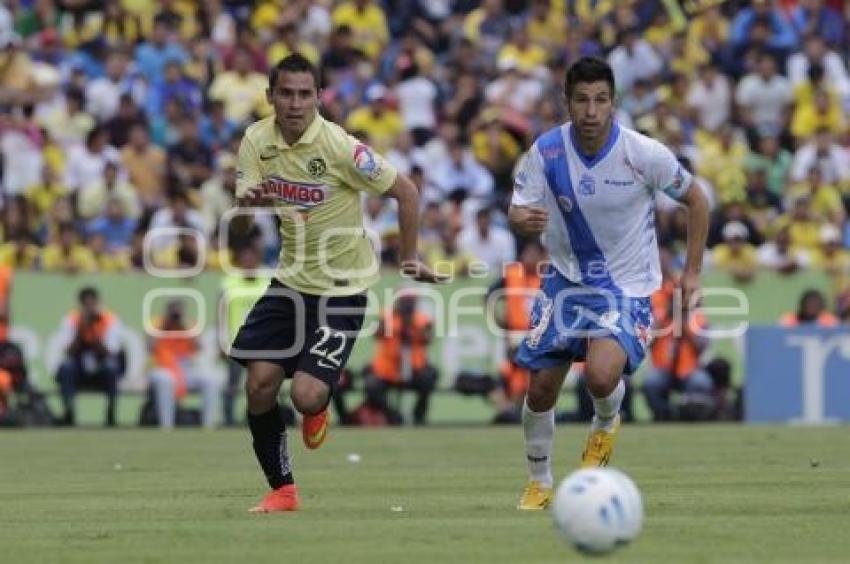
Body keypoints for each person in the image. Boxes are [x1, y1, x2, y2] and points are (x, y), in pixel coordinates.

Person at [228, 54, 440, 513]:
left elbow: (406, 190)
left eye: (306, 93)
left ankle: (318, 403)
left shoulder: (341, 147)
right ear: (270, 96)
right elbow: (238, 232)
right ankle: (283, 491)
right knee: (259, 385)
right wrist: (249, 209)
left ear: (319, 97)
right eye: (286, 93)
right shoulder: (255, 142)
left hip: (342, 289)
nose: (296, 103)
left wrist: (408, 258)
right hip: (289, 282)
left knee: (305, 395)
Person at [508, 57, 709, 510]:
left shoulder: (644, 154)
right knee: (540, 388)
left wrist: (692, 271)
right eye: (581, 100)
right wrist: (522, 219)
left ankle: (606, 421)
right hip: (563, 280)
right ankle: (539, 482)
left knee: (600, 376)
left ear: (613, 103)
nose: (591, 111)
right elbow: (518, 210)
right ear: (567, 102)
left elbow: (696, 200)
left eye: (600, 100)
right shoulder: (546, 151)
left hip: (626, 285)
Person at [363, 289, 437, 425]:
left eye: (410, 301)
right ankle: (392, 416)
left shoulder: (421, 319)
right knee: (371, 385)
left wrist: (412, 328)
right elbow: (376, 334)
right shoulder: (387, 316)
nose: (407, 305)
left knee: (429, 377)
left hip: (415, 368)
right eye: (404, 301)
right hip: (387, 370)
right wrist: (394, 326)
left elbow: (429, 338)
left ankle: (419, 415)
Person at [55, 287, 124, 426]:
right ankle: (69, 411)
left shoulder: (109, 320)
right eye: (86, 305)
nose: (90, 308)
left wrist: (93, 332)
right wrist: (82, 329)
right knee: (66, 367)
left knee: (111, 367)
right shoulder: (72, 320)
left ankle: (111, 413)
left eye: (93, 304)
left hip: (101, 368)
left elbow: (110, 352)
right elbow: (68, 351)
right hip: (79, 367)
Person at [147, 299, 220, 429]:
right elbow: (149, 347)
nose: (175, 316)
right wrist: (164, 326)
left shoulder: (189, 325)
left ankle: (207, 425)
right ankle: (166, 426)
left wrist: (185, 327)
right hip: (162, 367)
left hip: (186, 368)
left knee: (212, 380)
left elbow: (199, 347)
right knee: (165, 380)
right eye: (173, 313)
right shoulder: (157, 323)